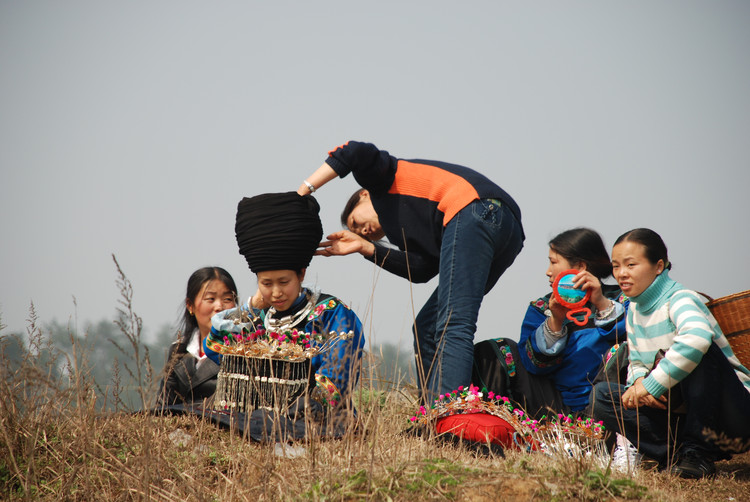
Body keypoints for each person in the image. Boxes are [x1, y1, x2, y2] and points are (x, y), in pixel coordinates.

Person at [298, 140, 524, 400]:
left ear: (363, 195)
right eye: (359, 233)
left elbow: (353, 151)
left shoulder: (380, 183)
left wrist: (303, 192)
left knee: (453, 322)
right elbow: (422, 270)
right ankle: (433, 410)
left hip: (475, 208)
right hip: (507, 231)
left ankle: (450, 416)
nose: (362, 232)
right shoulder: (404, 230)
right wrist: (365, 248)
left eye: (356, 222)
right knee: (427, 327)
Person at [204, 192, 365, 441]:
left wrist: (300, 409)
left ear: (301, 274)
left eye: (284, 281)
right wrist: (250, 308)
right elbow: (218, 354)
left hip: (319, 426)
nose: (276, 292)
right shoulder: (259, 316)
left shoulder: (330, 314)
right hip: (253, 427)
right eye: (266, 283)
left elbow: (337, 380)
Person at [591, 228, 750, 478]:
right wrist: (639, 382)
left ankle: (698, 452)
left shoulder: (680, 299)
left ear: (659, 266)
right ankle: (681, 454)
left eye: (631, 264)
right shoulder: (633, 309)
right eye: (616, 266)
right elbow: (637, 361)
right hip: (681, 413)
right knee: (602, 396)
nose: (621, 273)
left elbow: (696, 339)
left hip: (732, 416)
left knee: (699, 349)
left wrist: (652, 384)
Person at [473, 228, 628, 418]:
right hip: (554, 408)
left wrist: (602, 304)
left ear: (580, 267)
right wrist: (555, 320)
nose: (548, 272)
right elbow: (532, 365)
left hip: (609, 407)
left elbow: (633, 343)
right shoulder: (542, 308)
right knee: (496, 349)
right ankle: (487, 428)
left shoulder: (623, 300)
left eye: (553, 262)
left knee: (623, 350)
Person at [155, 266, 238, 408]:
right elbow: (163, 407)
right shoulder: (179, 350)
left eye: (227, 299)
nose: (219, 306)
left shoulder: (241, 351)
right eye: (210, 299)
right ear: (190, 305)